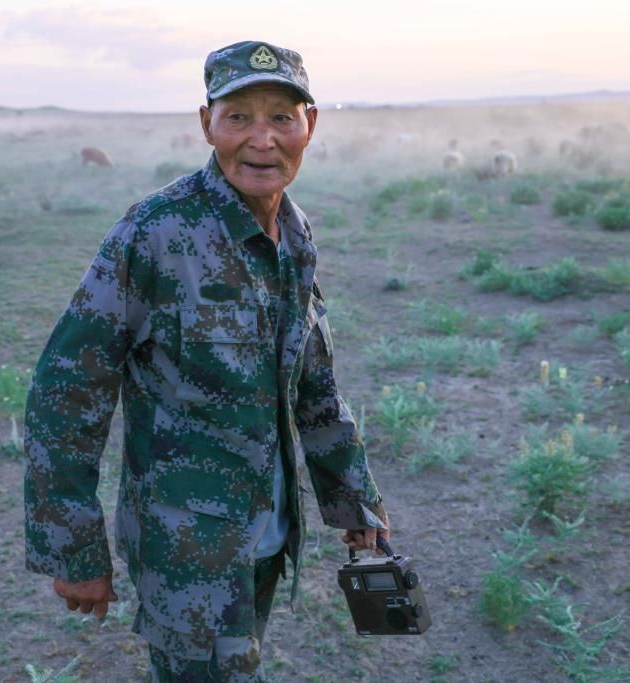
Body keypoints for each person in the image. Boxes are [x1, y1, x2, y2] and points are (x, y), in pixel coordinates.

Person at [23, 40, 389, 682]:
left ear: (310, 126)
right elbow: (68, 389)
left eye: (282, 116)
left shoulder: (294, 237)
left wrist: (353, 502)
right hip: (188, 556)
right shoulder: (157, 233)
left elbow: (315, 387)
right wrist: (74, 546)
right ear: (206, 125)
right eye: (239, 117)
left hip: (268, 539)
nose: (262, 139)